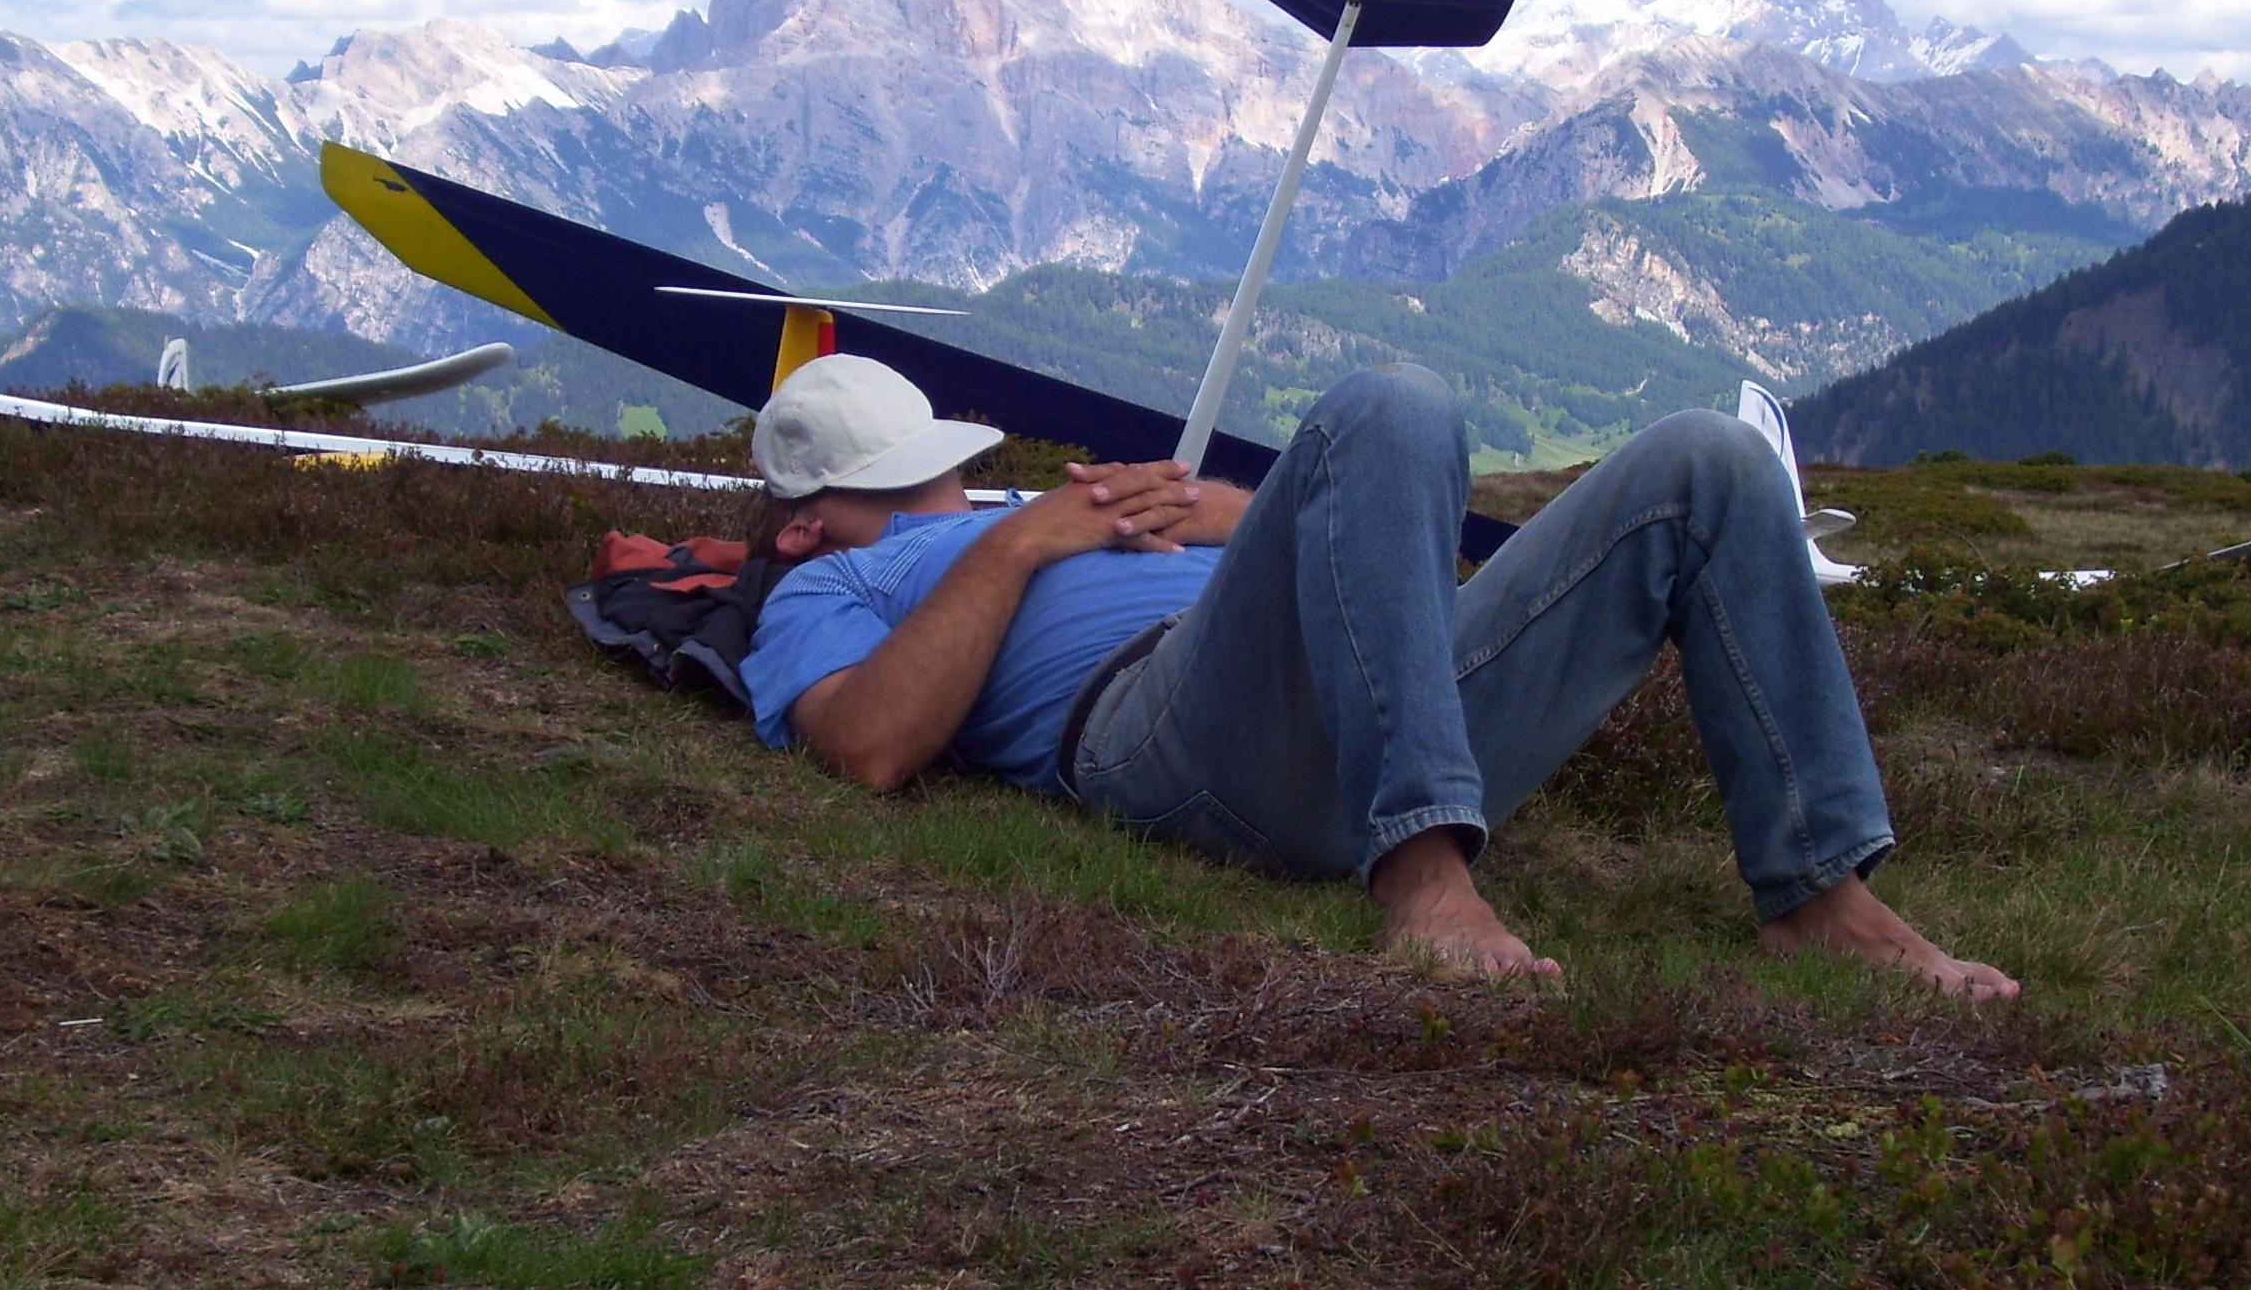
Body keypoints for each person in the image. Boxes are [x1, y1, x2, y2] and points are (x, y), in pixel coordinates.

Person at [737, 353, 2017, 997]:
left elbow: (1352, 534)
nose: (936, 489)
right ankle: (1421, 875)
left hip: (1373, 684)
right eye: (894, 482)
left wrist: (1217, 511)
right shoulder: (828, 584)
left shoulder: (1054, 502)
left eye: (938, 466)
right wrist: (1017, 542)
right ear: (802, 523)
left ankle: (1819, 891)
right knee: (1389, 396)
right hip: (1163, 727)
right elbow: (867, 745)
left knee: (1708, 459)